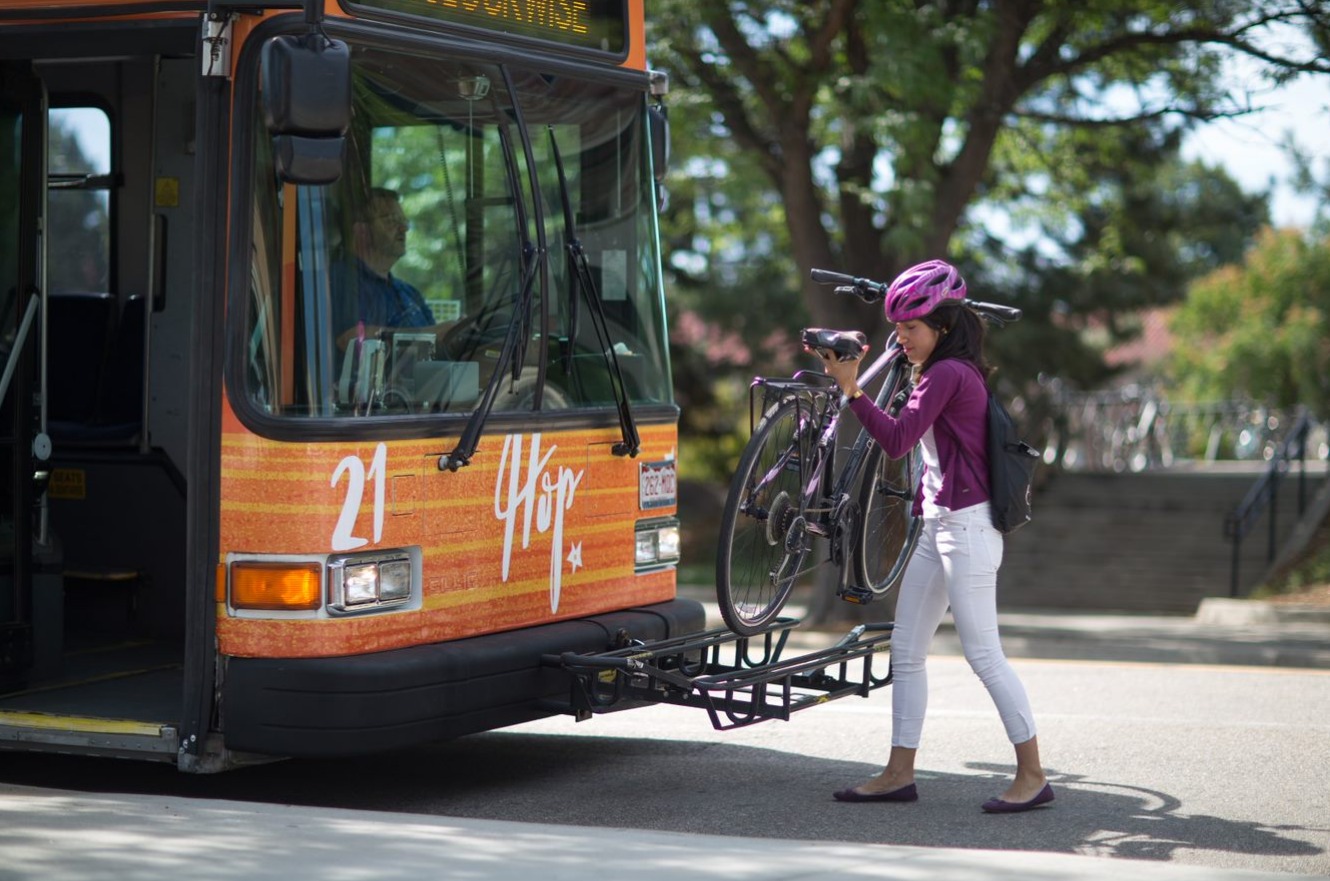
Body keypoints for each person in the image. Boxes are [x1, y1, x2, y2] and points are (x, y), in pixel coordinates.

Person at [816, 258, 1054, 814]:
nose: (901, 339)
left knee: (984, 655)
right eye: (896, 329)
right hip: (939, 525)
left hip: (968, 530)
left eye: (912, 329)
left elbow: (898, 440)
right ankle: (899, 773)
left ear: (943, 327)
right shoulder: (939, 370)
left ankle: (1034, 775)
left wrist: (852, 391)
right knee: (907, 650)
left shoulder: (948, 374)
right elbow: (928, 456)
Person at [332, 187, 454, 351]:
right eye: (391, 221)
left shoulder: (409, 292)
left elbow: (435, 347)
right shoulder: (341, 280)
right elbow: (350, 339)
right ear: (361, 230)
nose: (404, 228)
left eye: (403, 221)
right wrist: (429, 334)